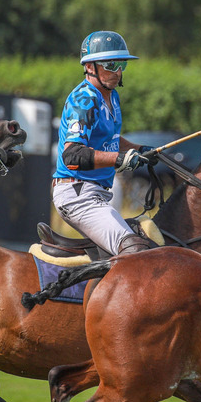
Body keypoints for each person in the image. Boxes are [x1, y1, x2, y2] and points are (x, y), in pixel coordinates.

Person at [51, 30, 156, 256]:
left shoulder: (113, 97)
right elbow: (73, 155)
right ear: (90, 66)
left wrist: (142, 150)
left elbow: (111, 142)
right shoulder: (84, 100)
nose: (117, 72)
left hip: (98, 193)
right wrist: (119, 160)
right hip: (77, 192)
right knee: (134, 251)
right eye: (110, 64)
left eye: (121, 65)